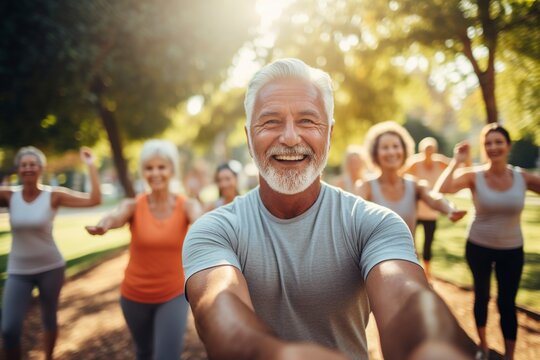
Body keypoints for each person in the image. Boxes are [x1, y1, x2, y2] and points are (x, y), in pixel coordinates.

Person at [182, 58, 479, 360]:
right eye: (270, 121)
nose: (289, 137)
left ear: (330, 134)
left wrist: (435, 346)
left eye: (307, 121)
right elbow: (218, 312)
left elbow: (407, 296)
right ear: (248, 137)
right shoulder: (213, 230)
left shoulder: (373, 223)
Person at [85, 140, 202, 360]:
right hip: (133, 296)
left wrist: (201, 229)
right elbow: (116, 216)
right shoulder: (133, 205)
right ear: (143, 172)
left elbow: (199, 221)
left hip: (173, 294)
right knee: (144, 353)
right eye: (149, 168)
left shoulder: (186, 205)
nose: (155, 173)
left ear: (172, 170)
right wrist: (104, 224)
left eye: (161, 167)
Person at [435, 123, 540, 360]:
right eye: (488, 143)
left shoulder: (521, 177)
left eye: (498, 142)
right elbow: (441, 189)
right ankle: (483, 345)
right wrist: (457, 161)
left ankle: (509, 355)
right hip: (479, 246)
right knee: (481, 295)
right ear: (483, 148)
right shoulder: (475, 176)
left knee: (507, 303)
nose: (494, 147)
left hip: (512, 249)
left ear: (508, 146)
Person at [0, 146, 101, 360]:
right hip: (18, 270)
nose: (28, 168)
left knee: (49, 319)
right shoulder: (9, 196)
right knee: (9, 330)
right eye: (24, 165)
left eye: (32, 164)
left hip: (50, 268)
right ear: (18, 169)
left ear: (41, 168)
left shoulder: (53, 195)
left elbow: (94, 199)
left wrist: (91, 165)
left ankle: (48, 357)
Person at [357, 122, 466, 244]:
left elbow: (433, 197)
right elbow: (354, 217)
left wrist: (449, 209)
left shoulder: (414, 185)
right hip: (375, 257)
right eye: (385, 147)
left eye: (395, 146)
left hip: (408, 256)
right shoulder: (366, 186)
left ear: (404, 150)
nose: (391, 152)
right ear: (375, 153)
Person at [402, 137, 451, 278]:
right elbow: (400, 175)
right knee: (411, 242)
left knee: (428, 243)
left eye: (431, 149)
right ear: (421, 150)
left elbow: (455, 169)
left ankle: (427, 273)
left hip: (432, 212)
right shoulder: (415, 163)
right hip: (415, 211)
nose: (429, 152)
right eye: (426, 150)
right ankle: (413, 271)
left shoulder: (440, 161)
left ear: (435, 150)